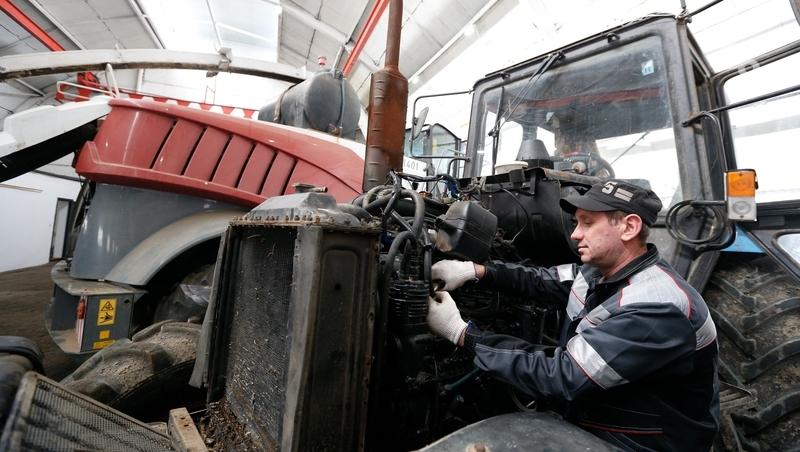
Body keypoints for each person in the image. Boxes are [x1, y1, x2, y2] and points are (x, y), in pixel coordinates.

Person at [426, 180, 719, 451]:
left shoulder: (657, 307)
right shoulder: (598, 271)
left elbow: (562, 375)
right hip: (596, 413)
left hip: (636, 440)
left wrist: (461, 332)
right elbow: (542, 279)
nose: (576, 233)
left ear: (628, 228)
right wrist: (475, 271)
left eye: (587, 223)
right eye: (576, 222)